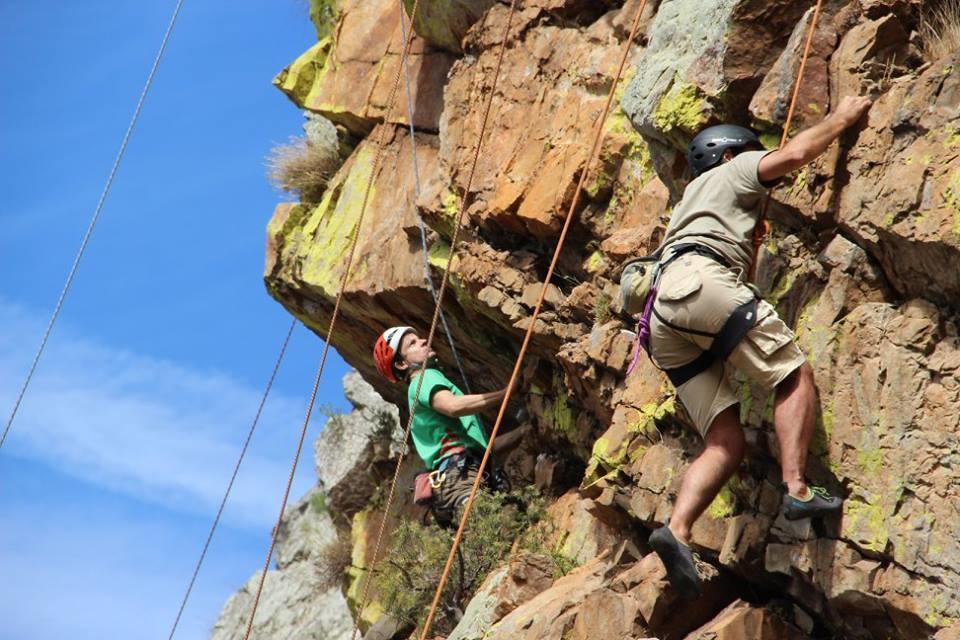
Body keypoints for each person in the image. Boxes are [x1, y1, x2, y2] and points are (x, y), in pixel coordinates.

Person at [625, 96, 873, 599]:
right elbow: (794, 155)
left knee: (724, 441)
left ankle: (677, 528)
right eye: (747, 153)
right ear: (727, 154)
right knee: (792, 375)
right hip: (698, 283)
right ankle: (798, 488)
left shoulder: (690, 205)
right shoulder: (731, 170)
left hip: (661, 317)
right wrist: (841, 118)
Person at [373, 326, 526, 524]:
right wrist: (506, 393)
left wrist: (524, 431)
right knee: (492, 526)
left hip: (458, 474)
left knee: (494, 531)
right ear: (402, 364)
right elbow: (453, 406)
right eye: (413, 343)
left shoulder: (418, 390)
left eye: (419, 338)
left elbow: (484, 449)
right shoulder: (422, 378)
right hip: (459, 475)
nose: (423, 341)